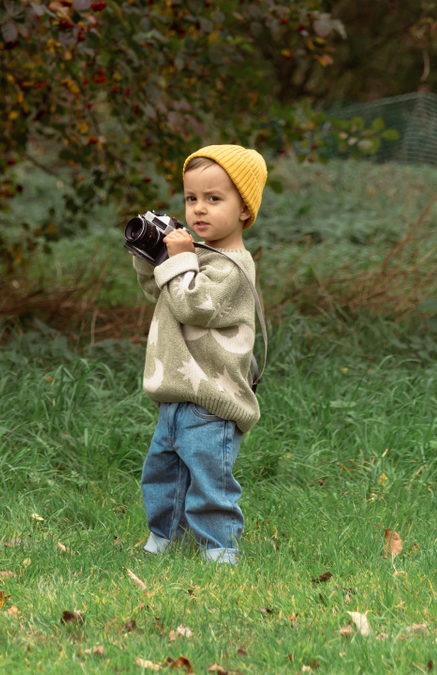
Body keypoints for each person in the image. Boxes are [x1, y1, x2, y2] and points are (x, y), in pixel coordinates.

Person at [131, 144, 268, 564]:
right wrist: (150, 257)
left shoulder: (233, 266)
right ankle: (164, 539)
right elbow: (162, 292)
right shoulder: (199, 255)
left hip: (212, 399)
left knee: (210, 480)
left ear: (244, 209)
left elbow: (193, 305)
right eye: (191, 198)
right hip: (177, 393)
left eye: (214, 198)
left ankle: (220, 549)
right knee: (163, 474)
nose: (199, 209)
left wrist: (180, 258)